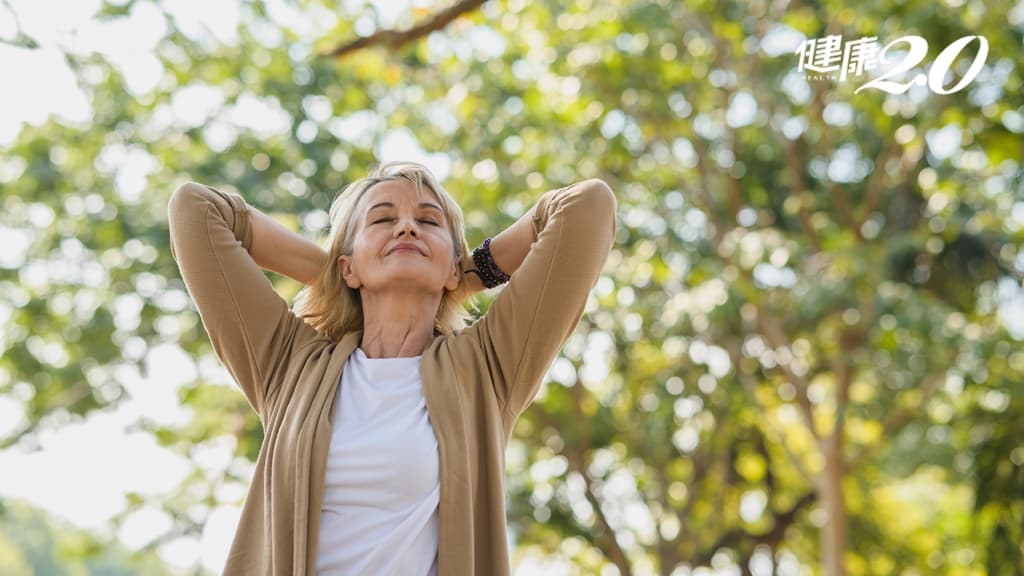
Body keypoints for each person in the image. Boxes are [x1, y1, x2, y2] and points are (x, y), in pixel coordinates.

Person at [167, 160, 617, 575]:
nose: (406, 227)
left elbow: (586, 207)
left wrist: (466, 273)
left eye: (428, 221)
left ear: (452, 268)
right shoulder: (289, 363)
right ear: (348, 266)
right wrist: (338, 274)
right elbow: (197, 210)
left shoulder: (487, 366)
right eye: (382, 220)